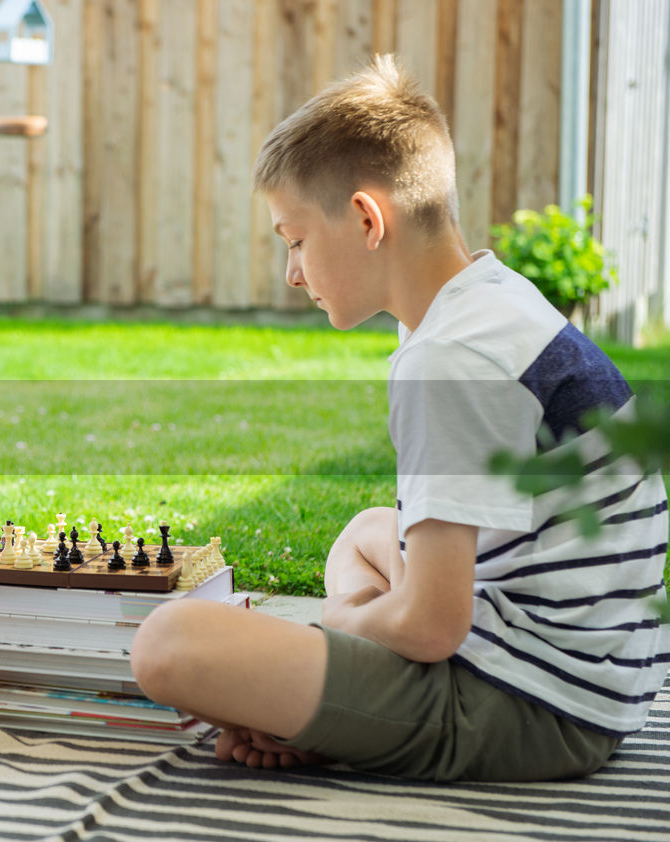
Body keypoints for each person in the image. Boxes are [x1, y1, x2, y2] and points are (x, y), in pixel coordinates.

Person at [130, 56, 669, 782]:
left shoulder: (449, 356)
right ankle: (340, 707)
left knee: (170, 643)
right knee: (363, 534)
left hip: (533, 707)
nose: (291, 272)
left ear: (363, 218)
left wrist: (330, 629)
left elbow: (431, 623)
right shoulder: (489, 301)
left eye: (294, 239)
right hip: (596, 679)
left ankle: (342, 710)